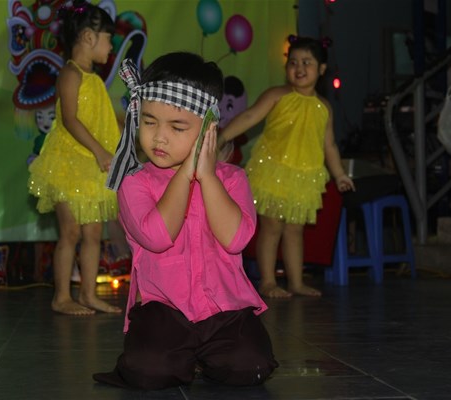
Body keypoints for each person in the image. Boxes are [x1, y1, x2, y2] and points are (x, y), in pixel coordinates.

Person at [95, 52, 278, 390]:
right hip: (163, 307)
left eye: (177, 127)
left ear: (208, 129)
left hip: (225, 307)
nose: (159, 137)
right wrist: (185, 175)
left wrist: (206, 176)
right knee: (149, 370)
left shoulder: (232, 179)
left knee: (250, 365)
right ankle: (181, 357)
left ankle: (201, 357)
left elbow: (236, 239)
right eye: (149, 121)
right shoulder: (134, 181)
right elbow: (157, 236)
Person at [218, 36, 355, 299]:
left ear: (321, 69)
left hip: (303, 178)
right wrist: (223, 137)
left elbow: (329, 145)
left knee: (295, 230)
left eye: (307, 62)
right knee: (272, 227)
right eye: (293, 62)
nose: (299, 68)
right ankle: (268, 281)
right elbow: (249, 116)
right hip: (273, 172)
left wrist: (339, 175)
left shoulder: (324, 107)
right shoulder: (277, 95)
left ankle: (296, 282)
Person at [27, 0, 122, 315]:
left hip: (91, 168)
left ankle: (89, 294)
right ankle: (62, 297)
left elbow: (101, 122)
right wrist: (99, 151)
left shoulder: (96, 81)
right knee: (70, 231)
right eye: (109, 39)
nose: (111, 47)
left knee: (94, 233)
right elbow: (69, 119)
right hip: (68, 164)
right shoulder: (70, 73)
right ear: (89, 37)